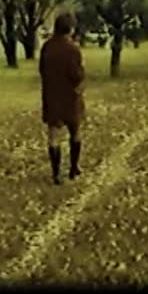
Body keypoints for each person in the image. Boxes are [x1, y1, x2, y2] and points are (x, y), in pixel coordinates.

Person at [39, 13, 86, 185]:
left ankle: (56, 173)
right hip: (70, 97)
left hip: (52, 96)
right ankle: (74, 167)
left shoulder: (47, 47)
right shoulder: (72, 49)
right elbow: (77, 75)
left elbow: (42, 70)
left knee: (53, 136)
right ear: (70, 29)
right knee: (75, 132)